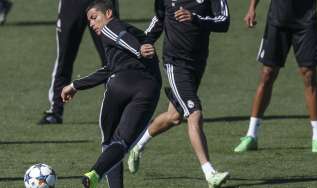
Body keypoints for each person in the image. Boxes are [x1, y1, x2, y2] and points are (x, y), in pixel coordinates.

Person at [127, 0, 230, 187]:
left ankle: (137, 146)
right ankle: (210, 173)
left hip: (197, 62)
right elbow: (159, 21)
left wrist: (195, 18)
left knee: (174, 117)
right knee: (194, 113)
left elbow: (224, 21)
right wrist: (142, 46)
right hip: (175, 63)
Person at [61, 0, 162, 187]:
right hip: (148, 89)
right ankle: (96, 173)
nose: (91, 24)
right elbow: (108, 69)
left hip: (121, 84)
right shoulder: (137, 36)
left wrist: (138, 50)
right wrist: (75, 85)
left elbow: (120, 36)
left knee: (108, 142)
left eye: (94, 18)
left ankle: (96, 173)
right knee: (121, 144)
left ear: (108, 13)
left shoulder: (112, 26)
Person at [234, 0, 317, 153]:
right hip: (277, 20)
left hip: (306, 22)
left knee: (309, 75)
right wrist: (252, 8)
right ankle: (251, 135)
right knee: (267, 74)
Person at [38, 0, 119, 124]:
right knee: (64, 56)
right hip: (72, 3)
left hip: (102, 2)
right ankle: (56, 110)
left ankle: (118, 107)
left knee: (112, 56)